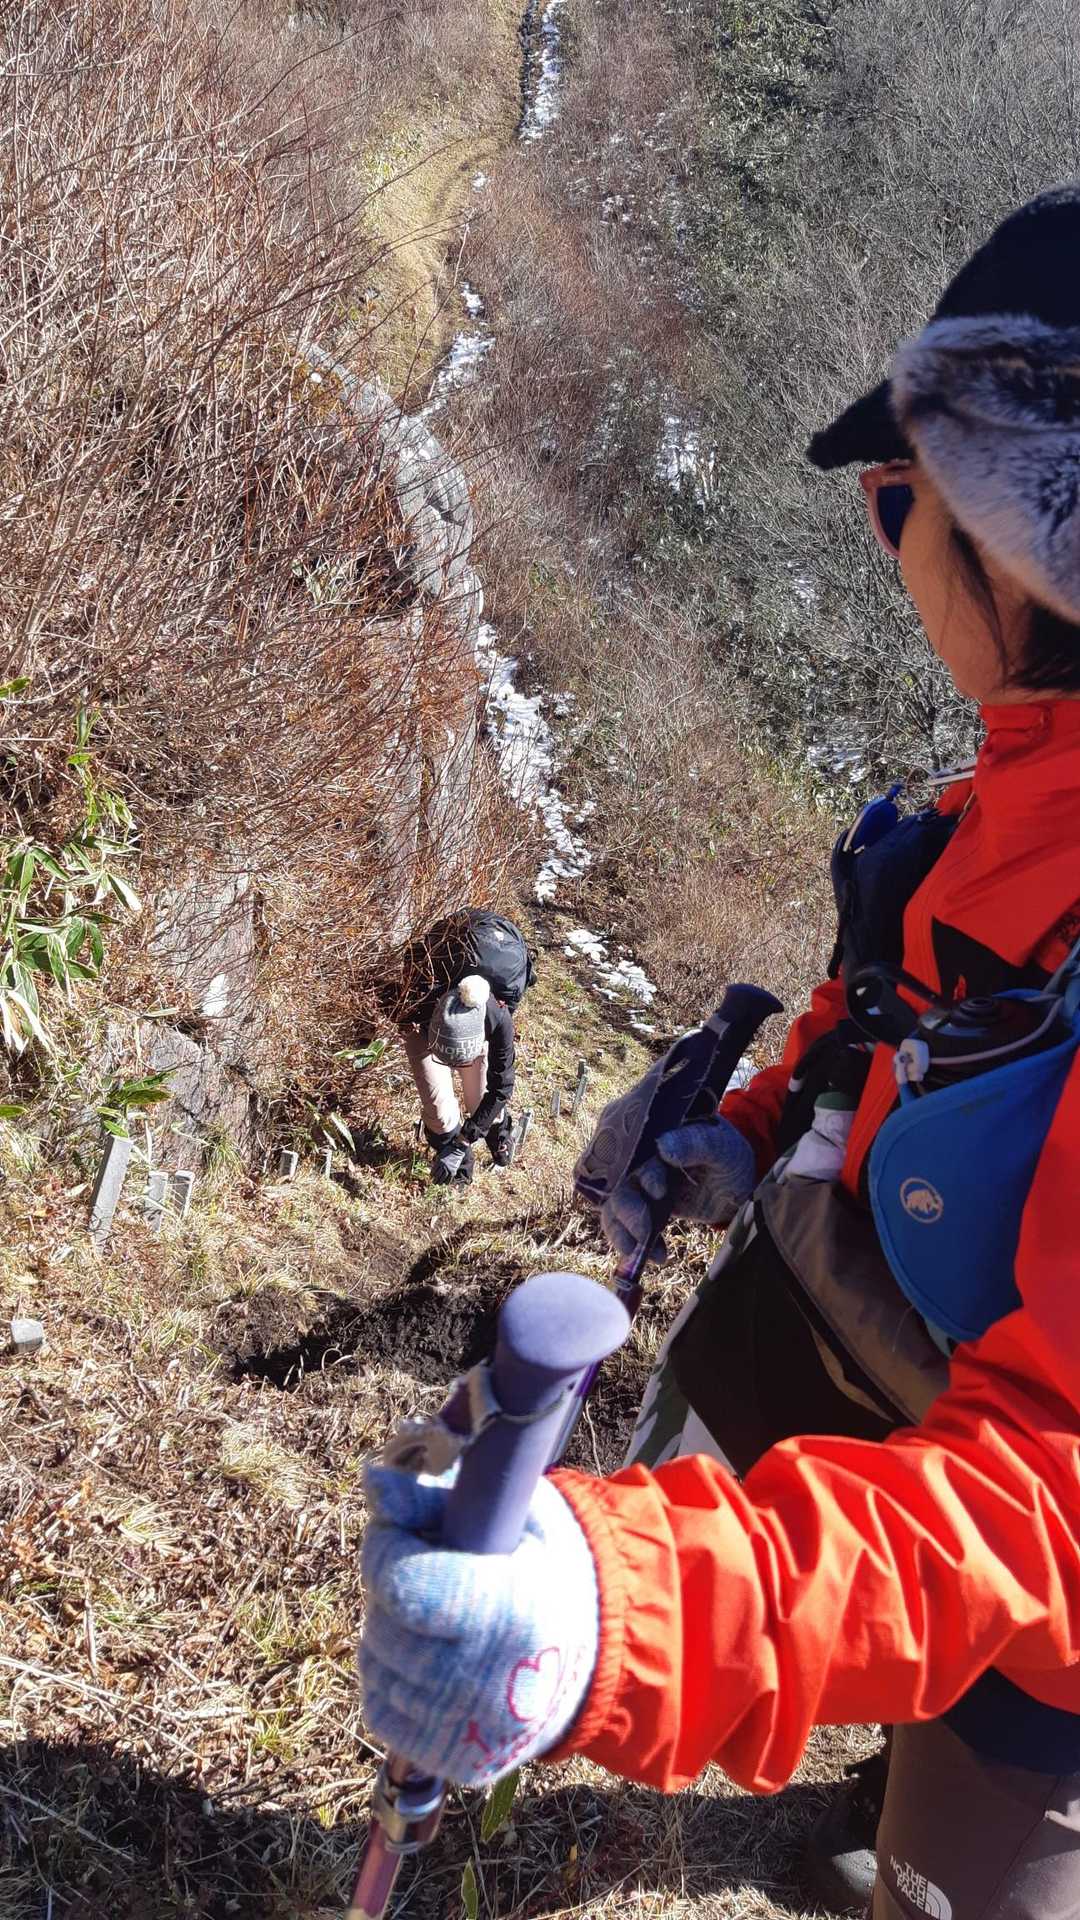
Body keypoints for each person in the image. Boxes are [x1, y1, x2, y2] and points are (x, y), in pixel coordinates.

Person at [359, 186, 1080, 1920]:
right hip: (913, 1440)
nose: (886, 537)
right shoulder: (1015, 790)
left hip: (1028, 1608)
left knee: (968, 1870)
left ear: (1021, 544)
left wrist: (625, 1609)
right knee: (923, 1759)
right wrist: (746, 1130)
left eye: (901, 496)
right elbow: (890, 1017)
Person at [387, 908, 534, 1185]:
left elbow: (501, 1088)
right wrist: (455, 1146)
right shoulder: (415, 999)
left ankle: (499, 1135)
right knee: (439, 1111)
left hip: (474, 1029)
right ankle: (459, 1170)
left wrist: (466, 1138)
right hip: (424, 1024)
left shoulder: (497, 1017)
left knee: (479, 1099)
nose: (454, 1067)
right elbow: (372, 993)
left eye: (460, 1061)